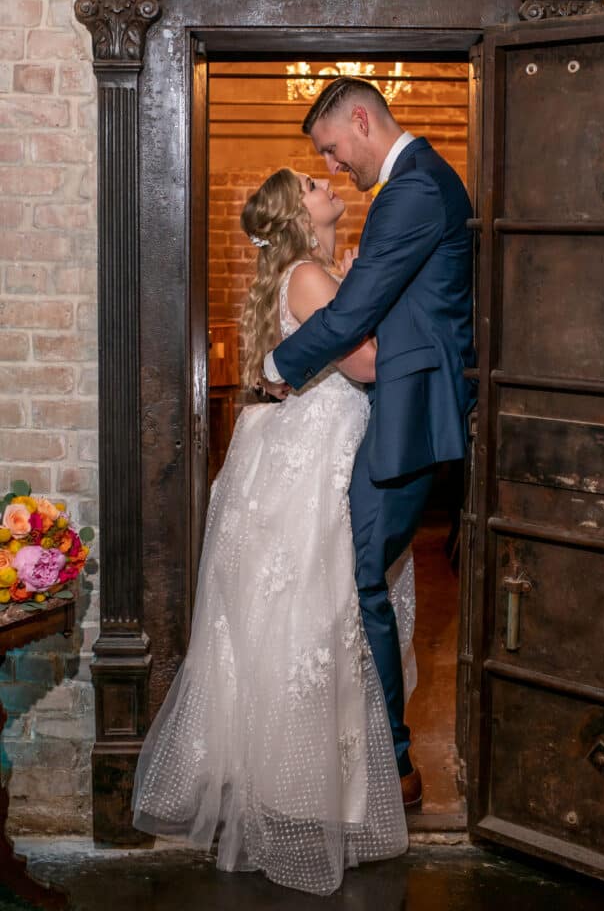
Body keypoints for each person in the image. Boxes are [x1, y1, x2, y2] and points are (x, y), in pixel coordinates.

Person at [132, 168, 416, 896]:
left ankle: (298, 790)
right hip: (313, 466)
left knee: (308, 624)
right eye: (314, 183)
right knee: (316, 623)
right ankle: (305, 798)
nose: (327, 183)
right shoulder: (310, 279)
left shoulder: (309, 273)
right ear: (299, 211)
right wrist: (382, 303)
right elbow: (370, 366)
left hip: (310, 458)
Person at [265, 77, 476, 807]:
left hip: (410, 410)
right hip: (398, 407)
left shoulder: (412, 188)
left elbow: (357, 313)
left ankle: (391, 763)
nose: (332, 167)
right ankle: (371, 751)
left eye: (330, 149)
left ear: (360, 119)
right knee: (357, 579)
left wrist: (279, 367)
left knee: (357, 579)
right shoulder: (415, 185)